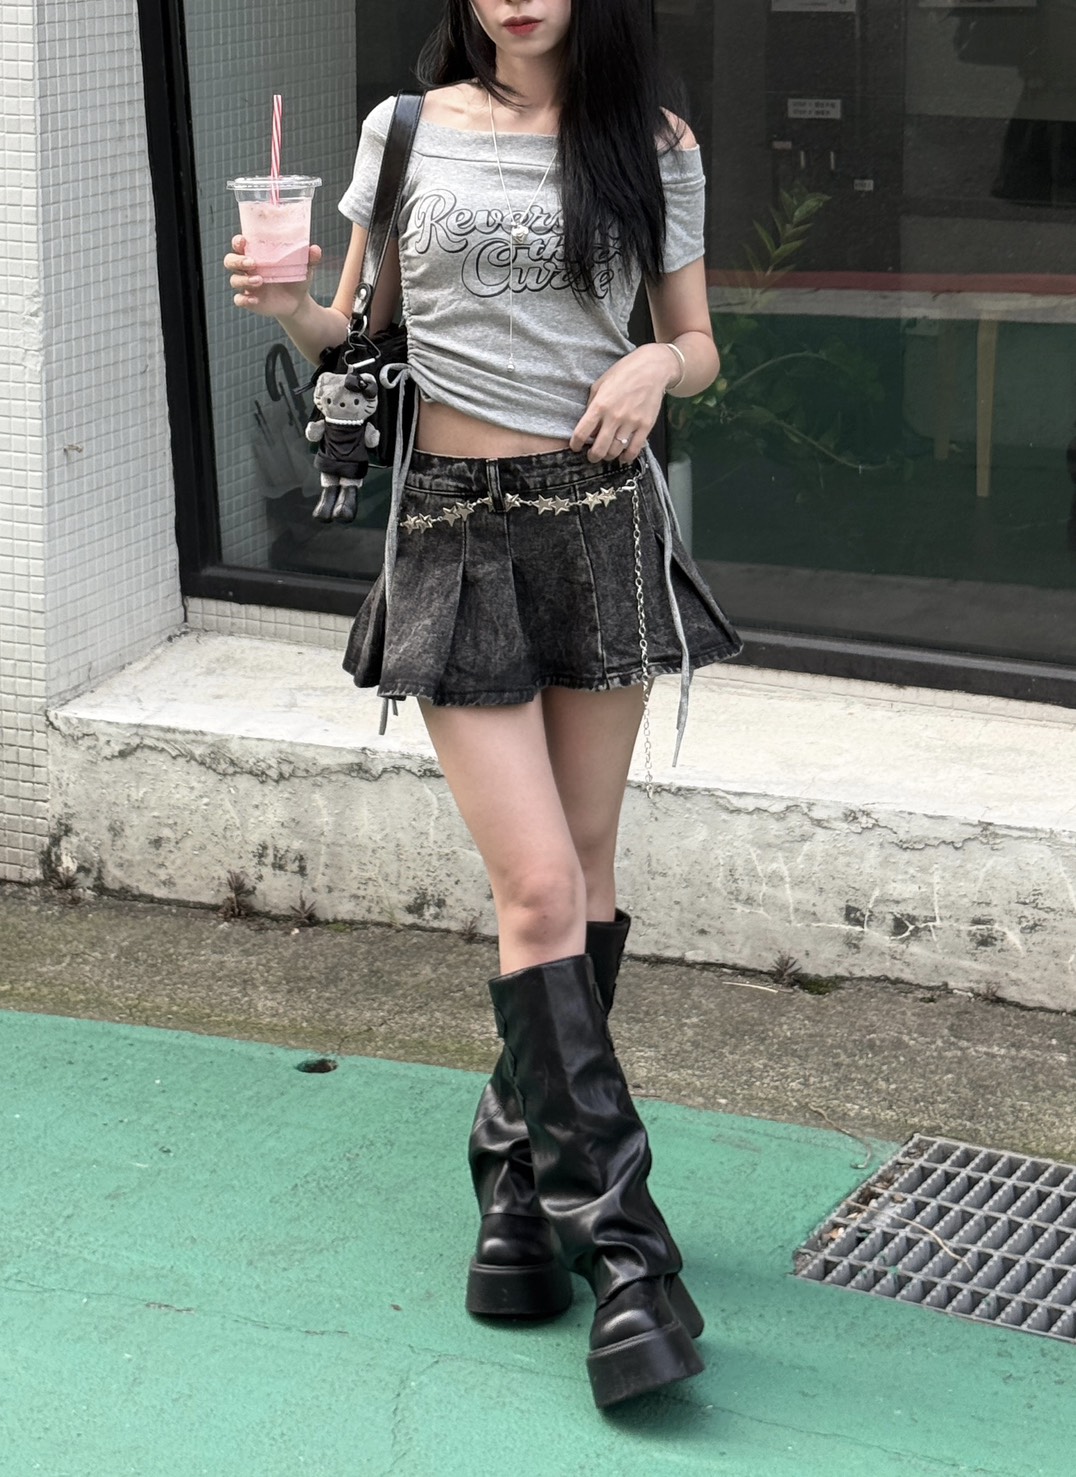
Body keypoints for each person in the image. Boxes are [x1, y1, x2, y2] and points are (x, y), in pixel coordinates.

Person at [224, 0, 740, 1408]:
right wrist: (286, 303)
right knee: (537, 882)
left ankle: (517, 1182)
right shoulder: (402, 135)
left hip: (602, 519)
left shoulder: (653, 143)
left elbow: (698, 340)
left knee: (587, 865)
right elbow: (359, 337)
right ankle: (627, 1255)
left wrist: (654, 361)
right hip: (453, 528)